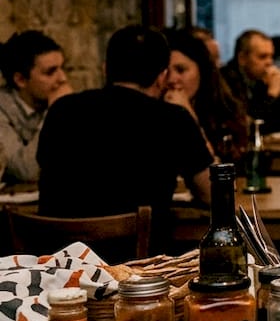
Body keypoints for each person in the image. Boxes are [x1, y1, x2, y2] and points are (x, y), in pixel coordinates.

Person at [38, 25, 213, 232]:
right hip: (139, 259)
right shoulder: (174, 118)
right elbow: (211, 193)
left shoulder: (62, 109)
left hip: (58, 256)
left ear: (105, 69)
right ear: (162, 77)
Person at [163, 27, 249, 163]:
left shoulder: (222, 112)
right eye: (165, 72)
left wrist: (187, 115)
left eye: (181, 70)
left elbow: (216, 168)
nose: (172, 79)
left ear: (201, 72)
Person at [0, 30, 72, 182]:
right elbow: (25, 170)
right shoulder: (2, 110)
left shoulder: (49, 100)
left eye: (62, 68)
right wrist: (55, 114)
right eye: (50, 72)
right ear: (20, 80)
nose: (63, 79)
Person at [220, 29, 280, 134]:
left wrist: (278, 92)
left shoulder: (263, 79)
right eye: (262, 57)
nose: (269, 62)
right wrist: (272, 95)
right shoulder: (224, 80)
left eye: (271, 56)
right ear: (242, 58)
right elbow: (246, 125)